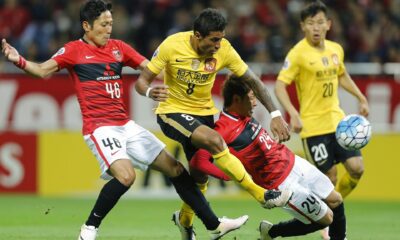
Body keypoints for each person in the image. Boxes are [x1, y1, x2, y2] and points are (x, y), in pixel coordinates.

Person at [0, 1, 278, 240]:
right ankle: (89, 229)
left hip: (125, 124)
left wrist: (169, 75)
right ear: (86, 26)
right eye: (103, 24)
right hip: (99, 126)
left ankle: (213, 225)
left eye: (111, 23)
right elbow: (42, 71)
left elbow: (152, 67)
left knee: (178, 170)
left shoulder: (119, 48)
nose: (109, 29)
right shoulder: (73, 50)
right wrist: (19, 60)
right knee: (127, 175)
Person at [135, 8, 292, 240]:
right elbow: (141, 81)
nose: (219, 45)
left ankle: (185, 221)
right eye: (214, 40)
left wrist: (276, 113)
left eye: (221, 38)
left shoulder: (225, 49)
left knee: (199, 176)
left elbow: (253, 81)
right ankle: (261, 195)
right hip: (172, 111)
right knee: (215, 140)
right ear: (197, 35)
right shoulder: (172, 45)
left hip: (204, 114)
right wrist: (149, 91)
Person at [190, 76, 347, 240]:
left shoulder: (244, 114)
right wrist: (228, 175)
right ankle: (272, 232)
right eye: (251, 98)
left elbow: (254, 143)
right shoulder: (223, 130)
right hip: (281, 184)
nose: (255, 103)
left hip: (294, 162)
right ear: (237, 99)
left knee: (336, 200)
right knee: (326, 219)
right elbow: (198, 161)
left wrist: (273, 141)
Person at [274, 2, 369, 238]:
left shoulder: (336, 48)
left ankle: (329, 210)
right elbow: (279, 85)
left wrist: (360, 96)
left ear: (328, 24)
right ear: (302, 26)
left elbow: (342, 74)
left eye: (319, 22)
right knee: (330, 178)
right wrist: (292, 113)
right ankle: (326, 219)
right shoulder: (297, 53)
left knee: (357, 169)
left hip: (338, 123)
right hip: (313, 127)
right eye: (310, 23)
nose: (315, 28)